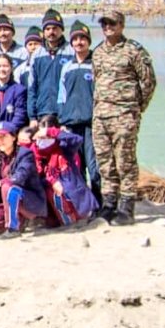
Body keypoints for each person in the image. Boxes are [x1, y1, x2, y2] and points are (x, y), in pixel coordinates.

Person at [91, 10, 156, 225]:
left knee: (125, 161)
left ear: (121, 25)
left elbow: (148, 82)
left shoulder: (134, 51)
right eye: (104, 23)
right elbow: (97, 82)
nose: (107, 26)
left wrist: (136, 109)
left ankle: (126, 207)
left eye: (112, 23)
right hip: (101, 116)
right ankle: (109, 204)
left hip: (124, 114)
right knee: (105, 162)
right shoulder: (98, 52)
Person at [57, 20, 100, 201]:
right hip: (72, 124)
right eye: (75, 39)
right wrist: (62, 120)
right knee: (76, 166)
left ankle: (98, 202)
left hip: (91, 123)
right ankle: (83, 203)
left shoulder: (96, 65)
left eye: (83, 38)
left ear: (88, 41)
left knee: (94, 167)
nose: (79, 42)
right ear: (71, 42)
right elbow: (62, 95)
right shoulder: (67, 67)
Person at [0, 120, 48, 236]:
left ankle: (12, 228)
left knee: (7, 187)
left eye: (3, 136)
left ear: (14, 137)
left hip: (30, 201)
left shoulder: (25, 154)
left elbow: (19, 177)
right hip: (8, 204)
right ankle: (20, 221)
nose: (0, 141)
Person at [32, 127, 98, 227]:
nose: (43, 140)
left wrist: (51, 132)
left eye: (46, 137)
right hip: (55, 205)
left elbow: (77, 140)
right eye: (40, 138)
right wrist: (52, 181)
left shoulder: (64, 150)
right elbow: (36, 179)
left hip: (77, 198)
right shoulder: (36, 157)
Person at [28, 8, 75, 122]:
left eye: (55, 28)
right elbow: (32, 87)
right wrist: (32, 116)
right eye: (48, 29)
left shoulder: (71, 51)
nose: (51, 32)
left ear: (61, 30)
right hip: (43, 111)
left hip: (65, 112)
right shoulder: (37, 54)